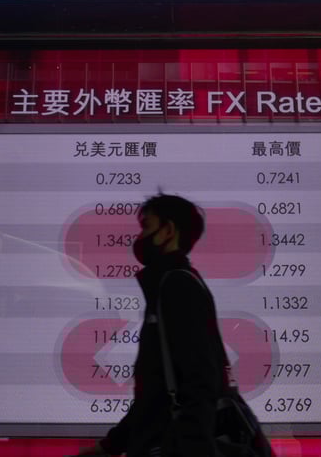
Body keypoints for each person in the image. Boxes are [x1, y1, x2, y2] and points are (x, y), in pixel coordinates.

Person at [79, 194, 225, 457]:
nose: (140, 237)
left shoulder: (176, 287)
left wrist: (192, 447)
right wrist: (108, 447)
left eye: (146, 226)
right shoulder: (170, 285)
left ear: (168, 230)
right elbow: (155, 395)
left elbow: (200, 381)